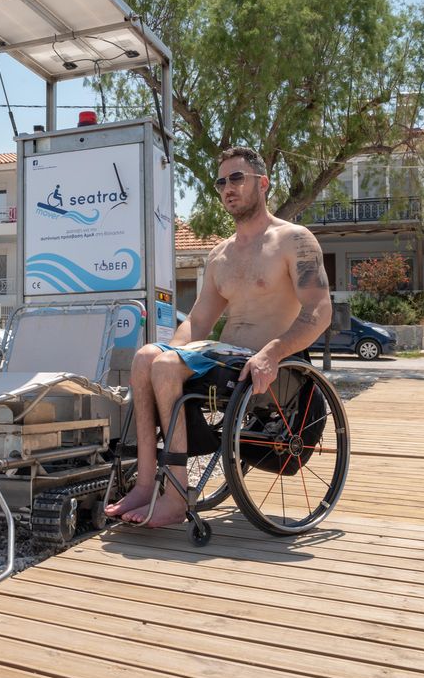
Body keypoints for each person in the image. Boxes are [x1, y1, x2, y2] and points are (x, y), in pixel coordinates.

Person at [105, 146, 333, 527]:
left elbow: (319, 312)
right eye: (221, 181)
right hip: (223, 358)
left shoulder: (294, 240)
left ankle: (176, 497)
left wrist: (273, 353)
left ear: (263, 184)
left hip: (272, 365)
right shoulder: (220, 255)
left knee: (162, 364)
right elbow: (197, 322)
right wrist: (168, 353)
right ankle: (146, 483)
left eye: (237, 178)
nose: (228, 187)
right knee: (147, 356)